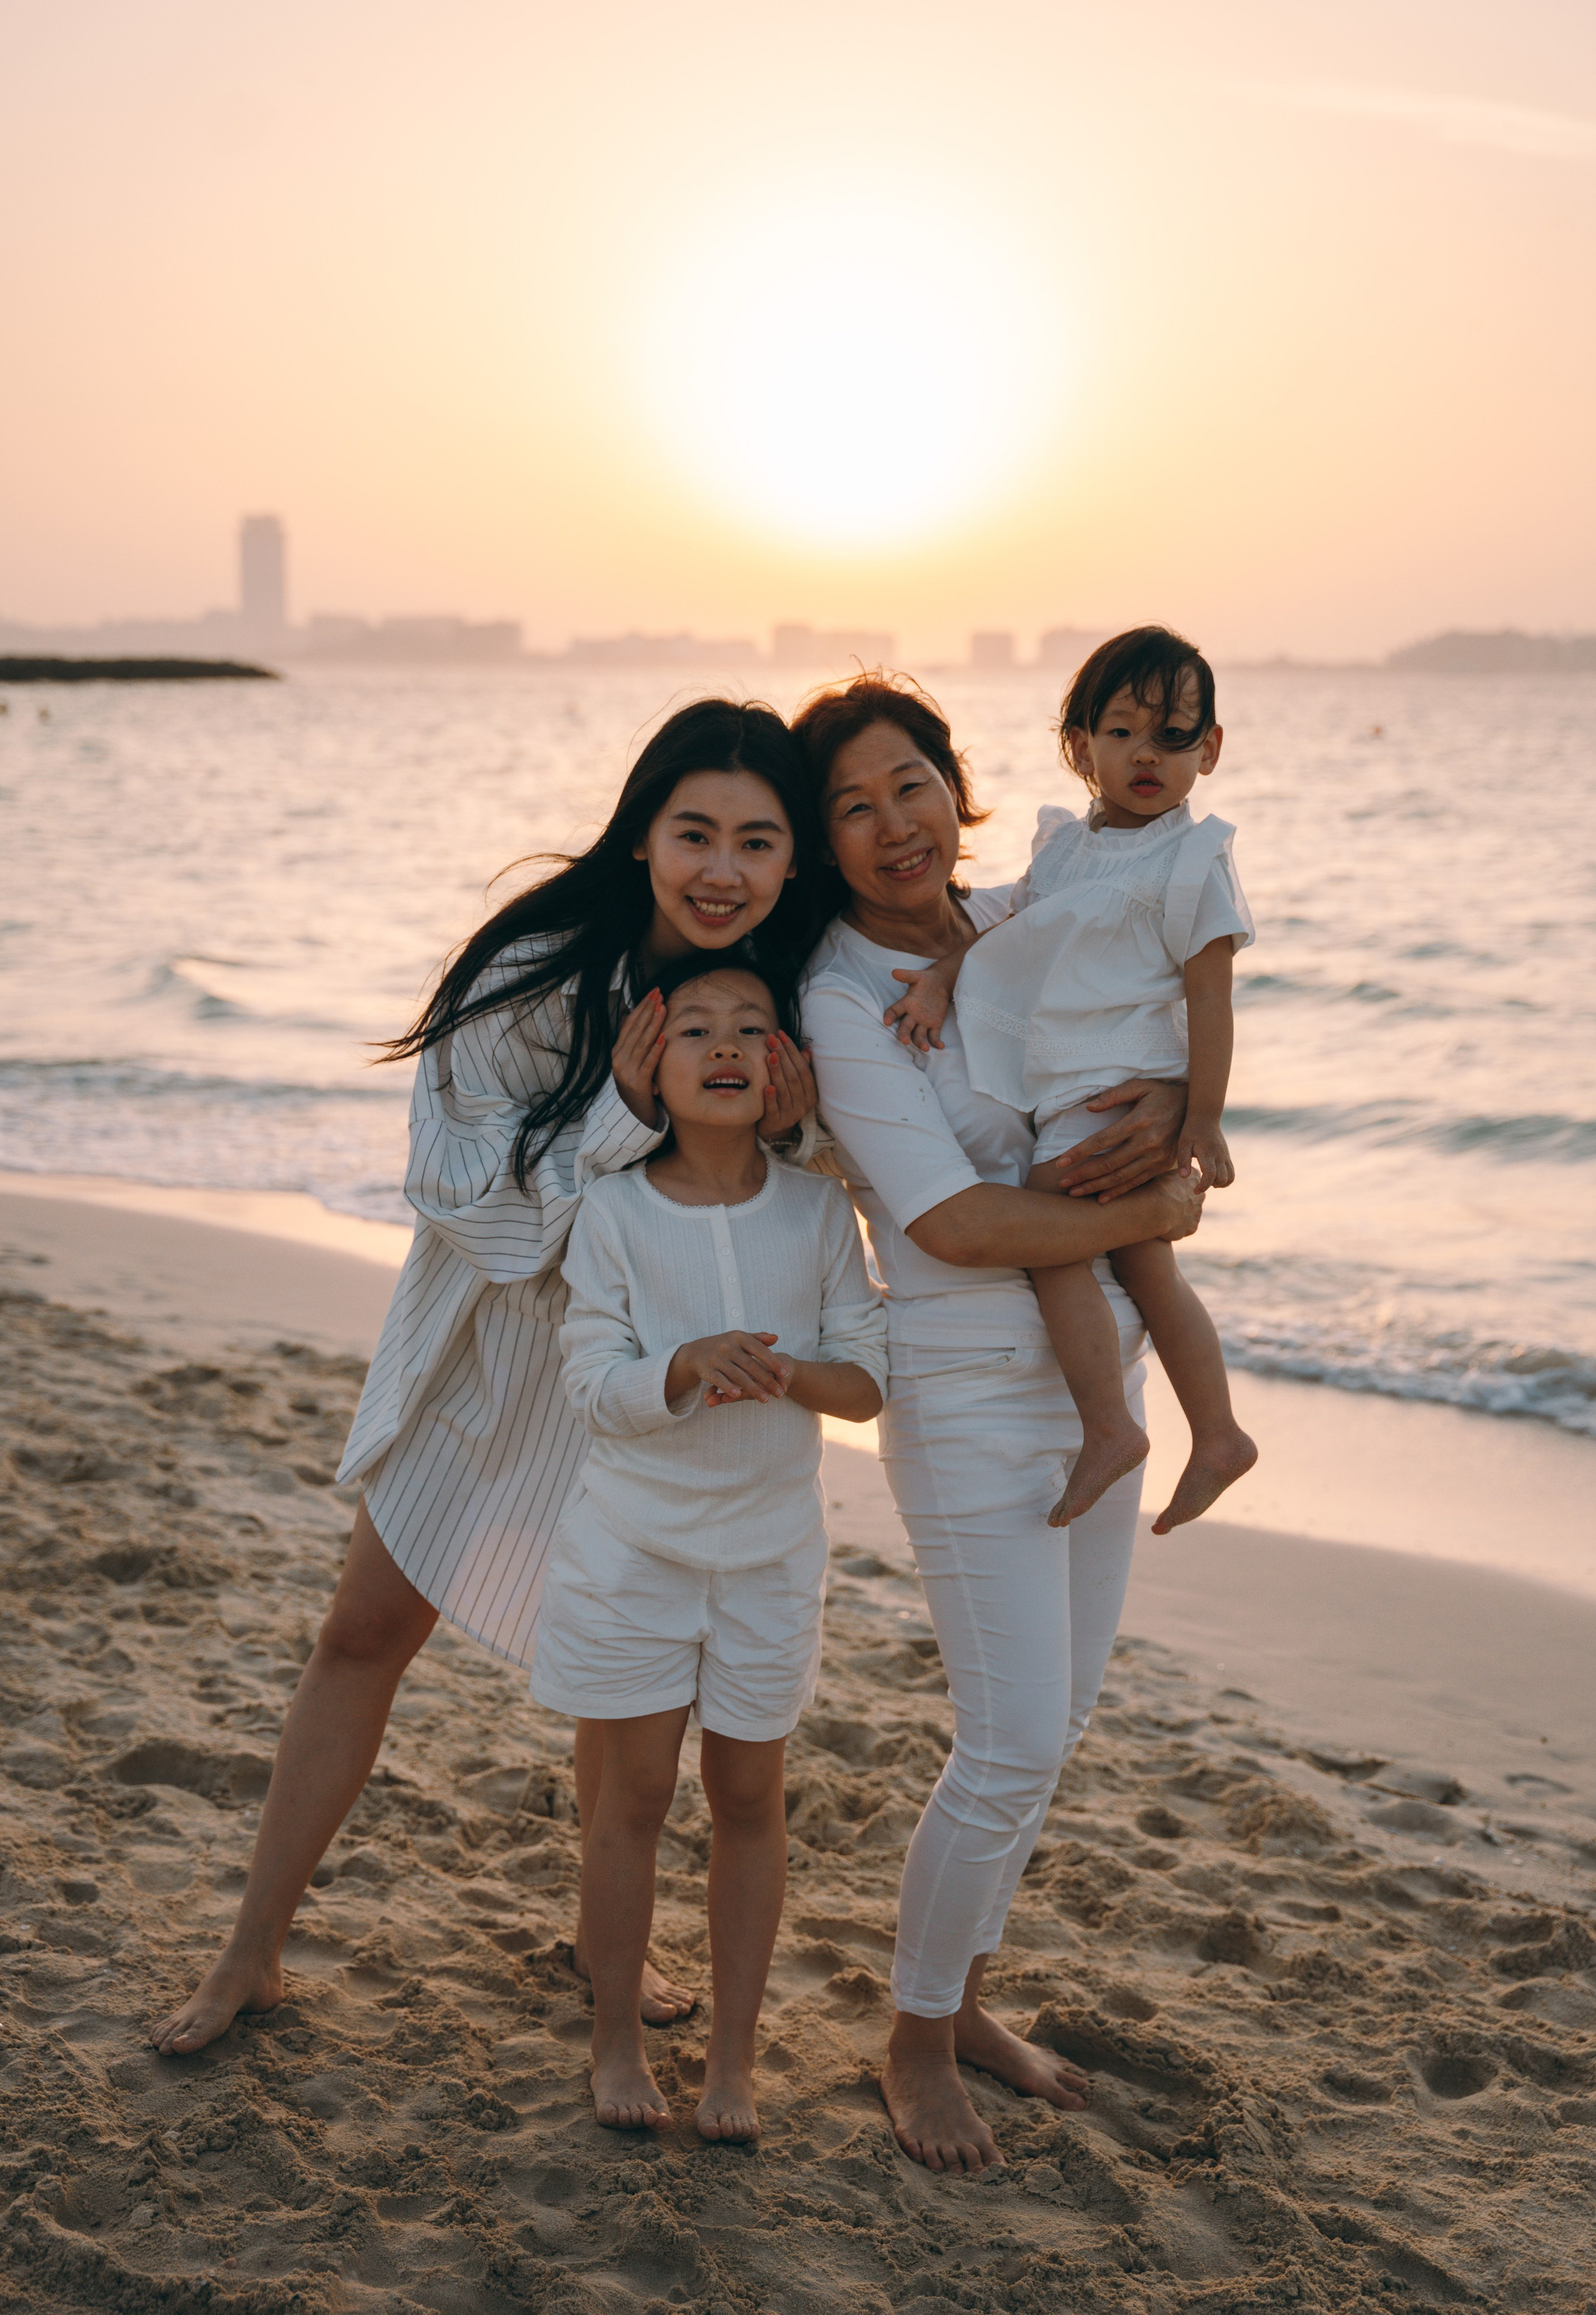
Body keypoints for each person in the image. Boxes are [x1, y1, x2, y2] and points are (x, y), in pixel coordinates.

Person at [150, 698, 822, 2059]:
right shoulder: (528, 970)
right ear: (641, 833)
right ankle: (252, 1948)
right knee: (360, 1633)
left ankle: (604, 1949)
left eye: (756, 841)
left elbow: (793, 1192)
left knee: (619, 1686)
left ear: (790, 863)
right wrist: (623, 1116)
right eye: (694, 830)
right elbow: (458, 1192)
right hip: (488, 1355)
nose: (721, 868)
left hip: (637, 1382)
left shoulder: (771, 1001)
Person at [793, 673, 1203, 2175]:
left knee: (1059, 1729)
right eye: (851, 804)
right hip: (966, 1398)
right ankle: (909, 2038)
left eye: (909, 785)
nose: (892, 823)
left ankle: (961, 2000)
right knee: (1009, 1736)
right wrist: (1151, 1200)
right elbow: (956, 1219)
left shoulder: (1024, 924)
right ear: (824, 839)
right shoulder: (838, 999)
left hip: (1099, 1386)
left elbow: (1135, 1058)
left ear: (953, 786)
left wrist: (1165, 1127)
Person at [535, 949, 886, 2143]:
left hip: (770, 1552)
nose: (726, 1045)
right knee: (630, 1796)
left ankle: (731, 2063)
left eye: (751, 1026)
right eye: (696, 1030)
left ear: (782, 1059)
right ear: (652, 1060)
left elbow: (869, 1377)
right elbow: (589, 1379)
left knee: (749, 1796)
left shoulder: (817, 1208)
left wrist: (791, 1373)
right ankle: (618, 2038)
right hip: (633, 1544)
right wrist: (683, 1366)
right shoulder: (616, 1208)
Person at [883, 626, 1258, 1532]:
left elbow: (1211, 998)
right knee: (1144, 1259)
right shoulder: (1061, 848)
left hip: (1122, 1095)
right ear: (1078, 744)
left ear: (1209, 751)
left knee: (1049, 1231)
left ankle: (1111, 1427)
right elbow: (1006, 938)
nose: (1147, 755)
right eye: (1125, 731)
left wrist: (1202, 1115)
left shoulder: (1192, 860)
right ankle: (1215, 1432)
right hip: (1067, 1092)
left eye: (1174, 737)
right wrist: (939, 978)